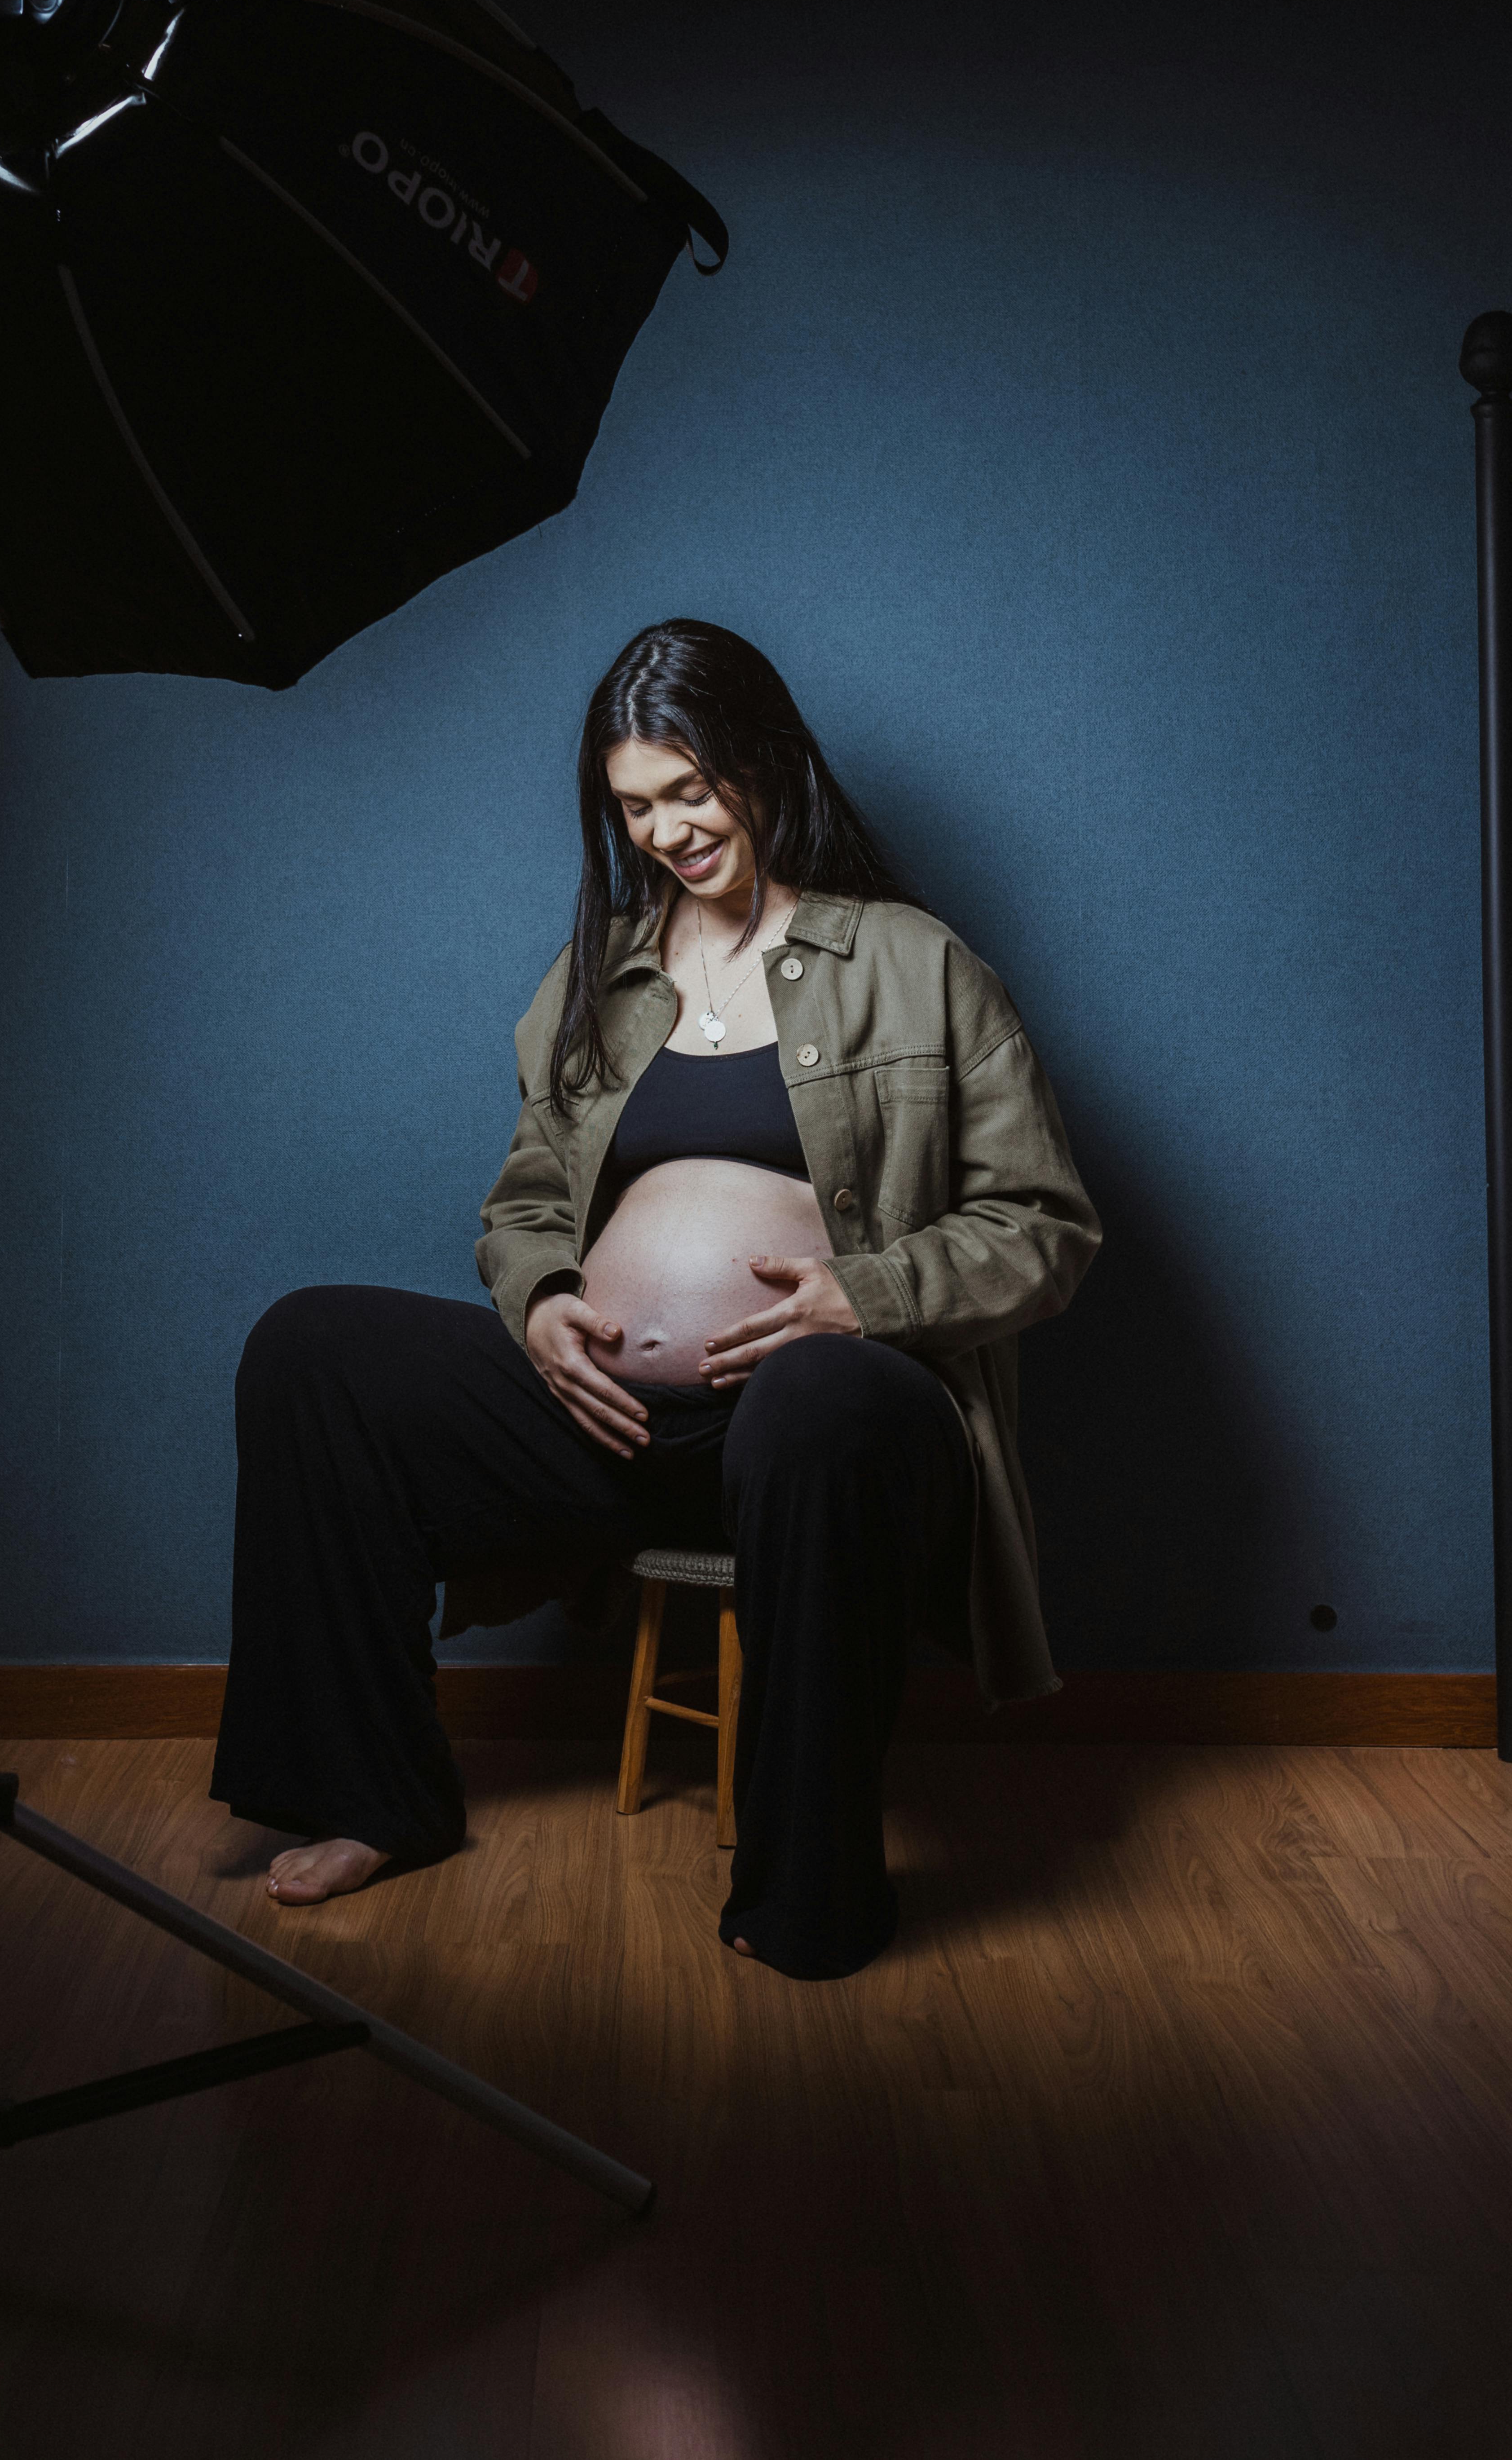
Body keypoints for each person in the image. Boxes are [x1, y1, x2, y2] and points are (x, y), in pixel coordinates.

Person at [211, 620, 1100, 1978]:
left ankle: (814, 1890)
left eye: (692, 789)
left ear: (761, 759)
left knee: (811, 1403)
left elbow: (1046, 1227)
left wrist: (862, 1297)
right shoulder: (600, 974)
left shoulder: (917, 965)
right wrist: (545, 1300)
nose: (671, 830)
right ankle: (373, 1795)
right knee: (309, 1348)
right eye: (637, 806)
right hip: (611, 1427)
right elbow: (519, 1207)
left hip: (828, 1432)